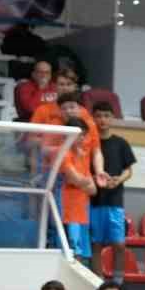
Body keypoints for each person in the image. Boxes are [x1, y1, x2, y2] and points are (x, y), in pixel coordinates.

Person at [49, 94, 101, 266]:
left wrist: (85, 182)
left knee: (80, 253)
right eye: (80, 135)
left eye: (84, 135)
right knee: (69, 251)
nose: (83, 139)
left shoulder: (83, 156)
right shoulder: (63, 153)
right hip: (66, 209)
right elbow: (74, 179)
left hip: (81, 209)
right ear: (69, 136)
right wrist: (86, 182)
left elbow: (93, 189)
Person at [90, 101, 137, 283]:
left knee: (119, 244)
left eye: (106, 116)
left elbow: (129, 170)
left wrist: (118, 180)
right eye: (98, 116)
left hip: (115, 200)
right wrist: (95, 178)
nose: (102, 120)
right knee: (96, 243)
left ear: (112, 118)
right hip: (94, 200)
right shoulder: (90, 143)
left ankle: (118, 281)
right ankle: (98, 281)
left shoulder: (121, 143)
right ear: (93, 118)